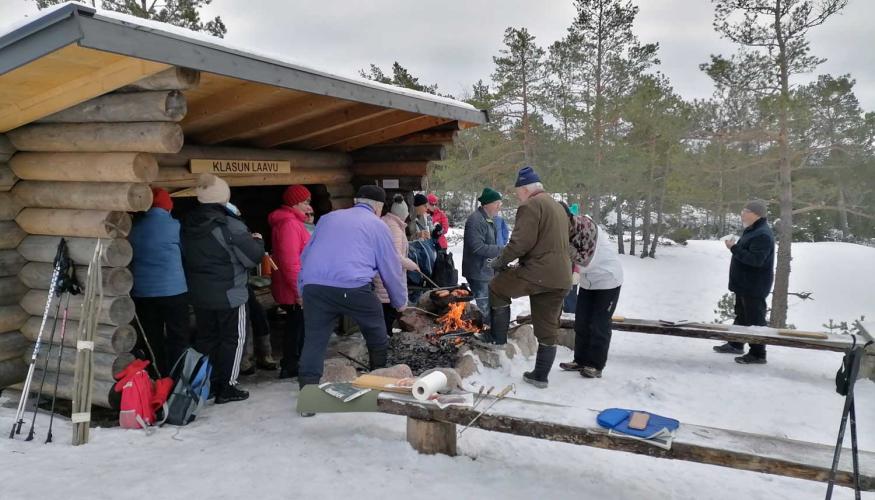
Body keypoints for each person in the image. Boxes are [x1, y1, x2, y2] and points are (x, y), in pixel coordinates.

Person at [297, 186, 407, 394]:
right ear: (378, 206)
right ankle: (379, 381)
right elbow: (390, 268)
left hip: (315, 288)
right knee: (377, 332)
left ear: (357, 201)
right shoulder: (377, 225)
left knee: (314, 340)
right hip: (353, 286)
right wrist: (399, 302)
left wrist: (302, 288)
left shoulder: (328, 218)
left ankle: (307, 395)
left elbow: (306, 255)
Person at [478, 166, 572, 389]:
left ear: (525, 188)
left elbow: (520, 243)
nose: (517, 195)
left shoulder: (531, 205)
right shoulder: (557, 206)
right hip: (560, 277)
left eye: (517, 191)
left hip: (538, 273)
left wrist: (499, 262)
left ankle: (497, 338)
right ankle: (540, 376)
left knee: (497, 287)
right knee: (548, 327)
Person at [181, 174, 264, 404]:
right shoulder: (230, 226)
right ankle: (227, 386)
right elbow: (252, 258)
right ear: (223, 197)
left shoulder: (187, 223)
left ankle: (207, 382)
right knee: (233, 339)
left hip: (199, 293)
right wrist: (257, 241)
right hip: (230, 294)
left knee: (207, 338)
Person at [129, 187, 189, 375]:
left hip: (144, 293)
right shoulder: (176, 226)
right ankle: (178, 377)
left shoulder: (134, 228)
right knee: (178, 336)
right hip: (174, 292)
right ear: (168, 207)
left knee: (151, 337)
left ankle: (157, 376)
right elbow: (186, 253)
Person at [558, 206, 623, 379]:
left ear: (567, 217)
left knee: (599, 324)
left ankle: (595, 365)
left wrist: (565, 251)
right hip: (588, 282)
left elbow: (585, 260)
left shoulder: (586, 227)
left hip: (607, 279)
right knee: (582, 322)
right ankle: (580, 360)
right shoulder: (563, 230)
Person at [713, 200, 775, 364]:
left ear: (756, 214)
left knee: (755, 320)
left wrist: (733, 248)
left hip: (754, 285)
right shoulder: (753, 230)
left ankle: (758, 354)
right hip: (744, 284)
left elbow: (756, 260)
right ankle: (735, 343)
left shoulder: (762, 234)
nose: (742, 213)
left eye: (745, 211)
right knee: (742, 315)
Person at [269, 185, 312, 378]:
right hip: (293, 288)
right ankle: (291, 365)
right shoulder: (289, 224)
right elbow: (290, 262)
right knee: (296, 327)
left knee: (298, 325)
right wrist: (299, 292)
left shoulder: (292, 222)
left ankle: (294, 363)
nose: (308, 206)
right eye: (305, 202)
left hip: (295, 285)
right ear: (295, 203)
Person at [375, 194, 419, 337]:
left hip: (383, 274)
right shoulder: (393, 228)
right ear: (403, 214)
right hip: (387, 276)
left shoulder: (387, 222)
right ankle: (385, 339)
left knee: (385, 310)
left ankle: (385, 335)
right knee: (388, 309)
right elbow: (394, 256)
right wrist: (412, 265)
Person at [462, 188, 503, 327]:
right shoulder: (476, 220)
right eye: (497, 203)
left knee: (489, 305)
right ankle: (486, 332)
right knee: (484, 307)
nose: (499, 206)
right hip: (478, 272)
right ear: (487, 204)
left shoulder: (488, 219)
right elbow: (477, 247)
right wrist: (501, 250)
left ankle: (489, 330)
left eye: (500, 203)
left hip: (486, 270)